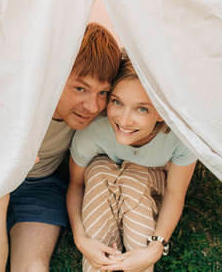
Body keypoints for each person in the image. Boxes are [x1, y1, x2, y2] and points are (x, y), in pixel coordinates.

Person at [0, 23, 121, 272]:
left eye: (103, 92)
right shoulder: (21, 103)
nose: (92, 106)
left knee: (32, 264)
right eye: (80, 88)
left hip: (41, 187)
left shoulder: (101, 115)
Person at [67, 50, 197, 272]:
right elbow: (75, 185)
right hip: (102, 182)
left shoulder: (181, 139)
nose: (124, 120)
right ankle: (100, 264)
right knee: (99, 171)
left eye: (142, 108)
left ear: (161, 113)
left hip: (148, 183)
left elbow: (176, 193)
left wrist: (156, 248)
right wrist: (81, 240)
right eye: (117, 102)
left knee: (133, 176)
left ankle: (139, 263)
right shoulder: (93, 132)